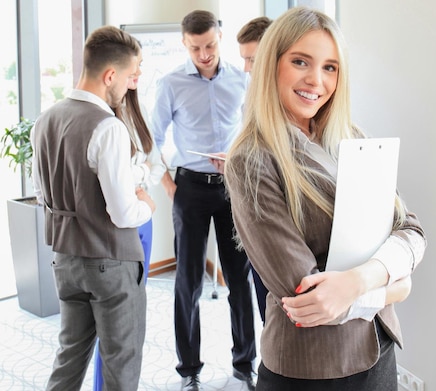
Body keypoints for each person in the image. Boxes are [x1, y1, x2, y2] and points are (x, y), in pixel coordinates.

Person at [224, 7, 426, 391]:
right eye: (301, 61)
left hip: (379, 351)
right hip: (313, 370)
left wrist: (361, 280)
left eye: (330, 67)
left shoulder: (351, 136)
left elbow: (412, 230)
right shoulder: (252, 159)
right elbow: (308, 299)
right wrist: (395, 285)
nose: (316, 80)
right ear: (271, 65)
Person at [31, 26, 156, 391]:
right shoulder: (108, 127)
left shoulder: (44, 121)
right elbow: (123, 214)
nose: (132, 84)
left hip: (65, 260)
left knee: (68, 357)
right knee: (121, 362)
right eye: (131, 76)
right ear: (110, 75)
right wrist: (145, 205)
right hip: (109, 263)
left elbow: (44, 196)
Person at [151, 10, 257, 391]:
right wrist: (168, 184)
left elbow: (254, 129)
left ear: (220, 38)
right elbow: (151, 140)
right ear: (184, 44)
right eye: (196, 47)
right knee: (188, 282)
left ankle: (245, 366)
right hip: (190, 189)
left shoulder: (243, 79)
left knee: (240, 281)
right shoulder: (171, 83)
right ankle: (188, 371)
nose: (204, 53)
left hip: (233, 188)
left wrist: (239, 160)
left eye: (210, 45)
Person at [91, 44, 167, 391]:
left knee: (129, 319)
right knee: (113, 326)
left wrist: (140, 177)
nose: (137, 76)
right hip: (120, 225)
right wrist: (139, 188)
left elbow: (155, 161)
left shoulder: (138, 110)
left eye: (139, 69)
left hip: (141, 223)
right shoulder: (99, 119)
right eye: (132, 70)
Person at [236, 15, 273, 325]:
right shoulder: (251, 98)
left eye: (252, 59)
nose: (247, 68)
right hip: (256, 219)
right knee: (266, 311)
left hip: (279, 225)